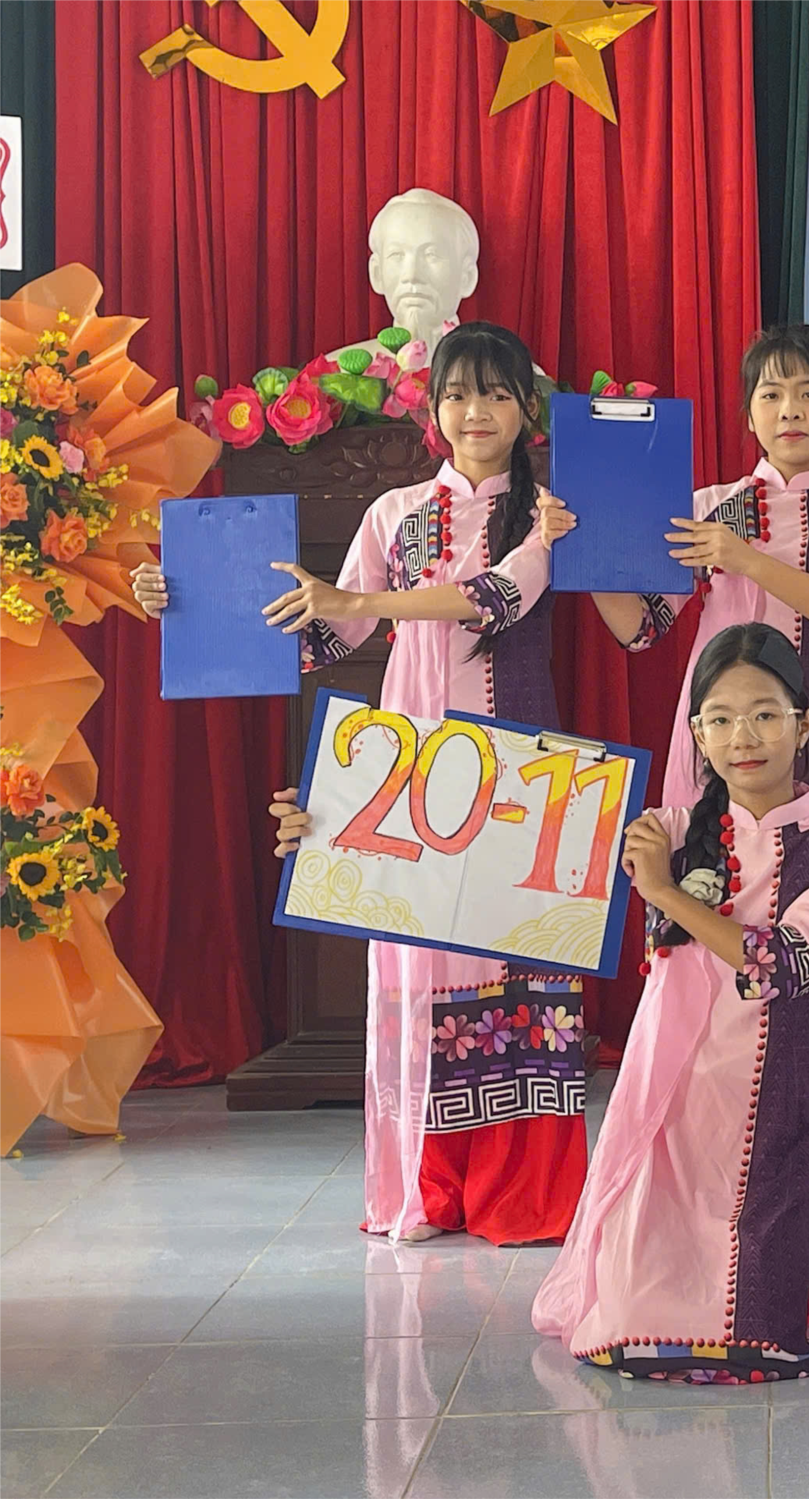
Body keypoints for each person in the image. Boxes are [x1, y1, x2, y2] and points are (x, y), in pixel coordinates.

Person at [133, 322, 584, 1246]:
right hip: (408, 773)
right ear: (433, 409)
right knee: (418, 968)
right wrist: (186, 602)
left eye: (497, 393)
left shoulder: (549, 515)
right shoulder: (393, 513)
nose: (476, 411)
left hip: (517, 764)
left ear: (526, 410)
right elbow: (322, 636)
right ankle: (424, 1185)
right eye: (458, 393)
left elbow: (497, 599)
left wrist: (360, 601)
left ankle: (521, 1192)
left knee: (514, 966)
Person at [539, 324, 809, 1206]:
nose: (790, 410)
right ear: (747, 413)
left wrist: (746, 558)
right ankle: (699, 1151)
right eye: (771, 394)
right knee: (703, 919)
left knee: (808, 943)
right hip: (713, 747)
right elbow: (642, 626)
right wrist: (584, 547)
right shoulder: (706, 504)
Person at [530, 624, 809, 1382]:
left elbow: (786, 962)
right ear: (697, 734)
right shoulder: (667, 829)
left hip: (774, 1088)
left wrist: (662, 891)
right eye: (720, 718)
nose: (742, 736)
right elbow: (513, 852)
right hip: (668, 1086)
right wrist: (325, 833)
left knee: (760, 1322)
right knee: (632, 1312)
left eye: (764, 714)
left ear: (803, 724)